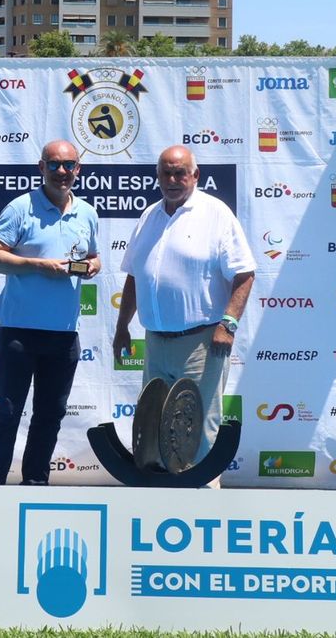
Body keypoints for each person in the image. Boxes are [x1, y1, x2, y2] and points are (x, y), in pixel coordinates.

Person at [112, 144, 255, 463]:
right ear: (158, 175)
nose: (172, 180)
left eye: (180, 173)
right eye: (166, 173)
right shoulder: (149, 216)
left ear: (195, 175)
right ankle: (160, 492)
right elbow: (135, 276)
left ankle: (204, 492)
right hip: (155, 343)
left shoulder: (216, 213)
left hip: (201, 344)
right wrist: (122, 327)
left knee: (198, 429)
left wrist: (228, 324)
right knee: (153, 428)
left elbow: (245, 274)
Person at [0, 139, 100, 485]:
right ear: (41, 167)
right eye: (54, 164)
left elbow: (93, 256)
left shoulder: (87, 213)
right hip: (20, 332)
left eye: (69, 165)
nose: (62, 171)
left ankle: (35, 485)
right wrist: (37, 265)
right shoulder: (20, 208)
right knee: (7, 413)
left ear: (78, 169)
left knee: (50, 416)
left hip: (64, 334)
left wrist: (93, 266)